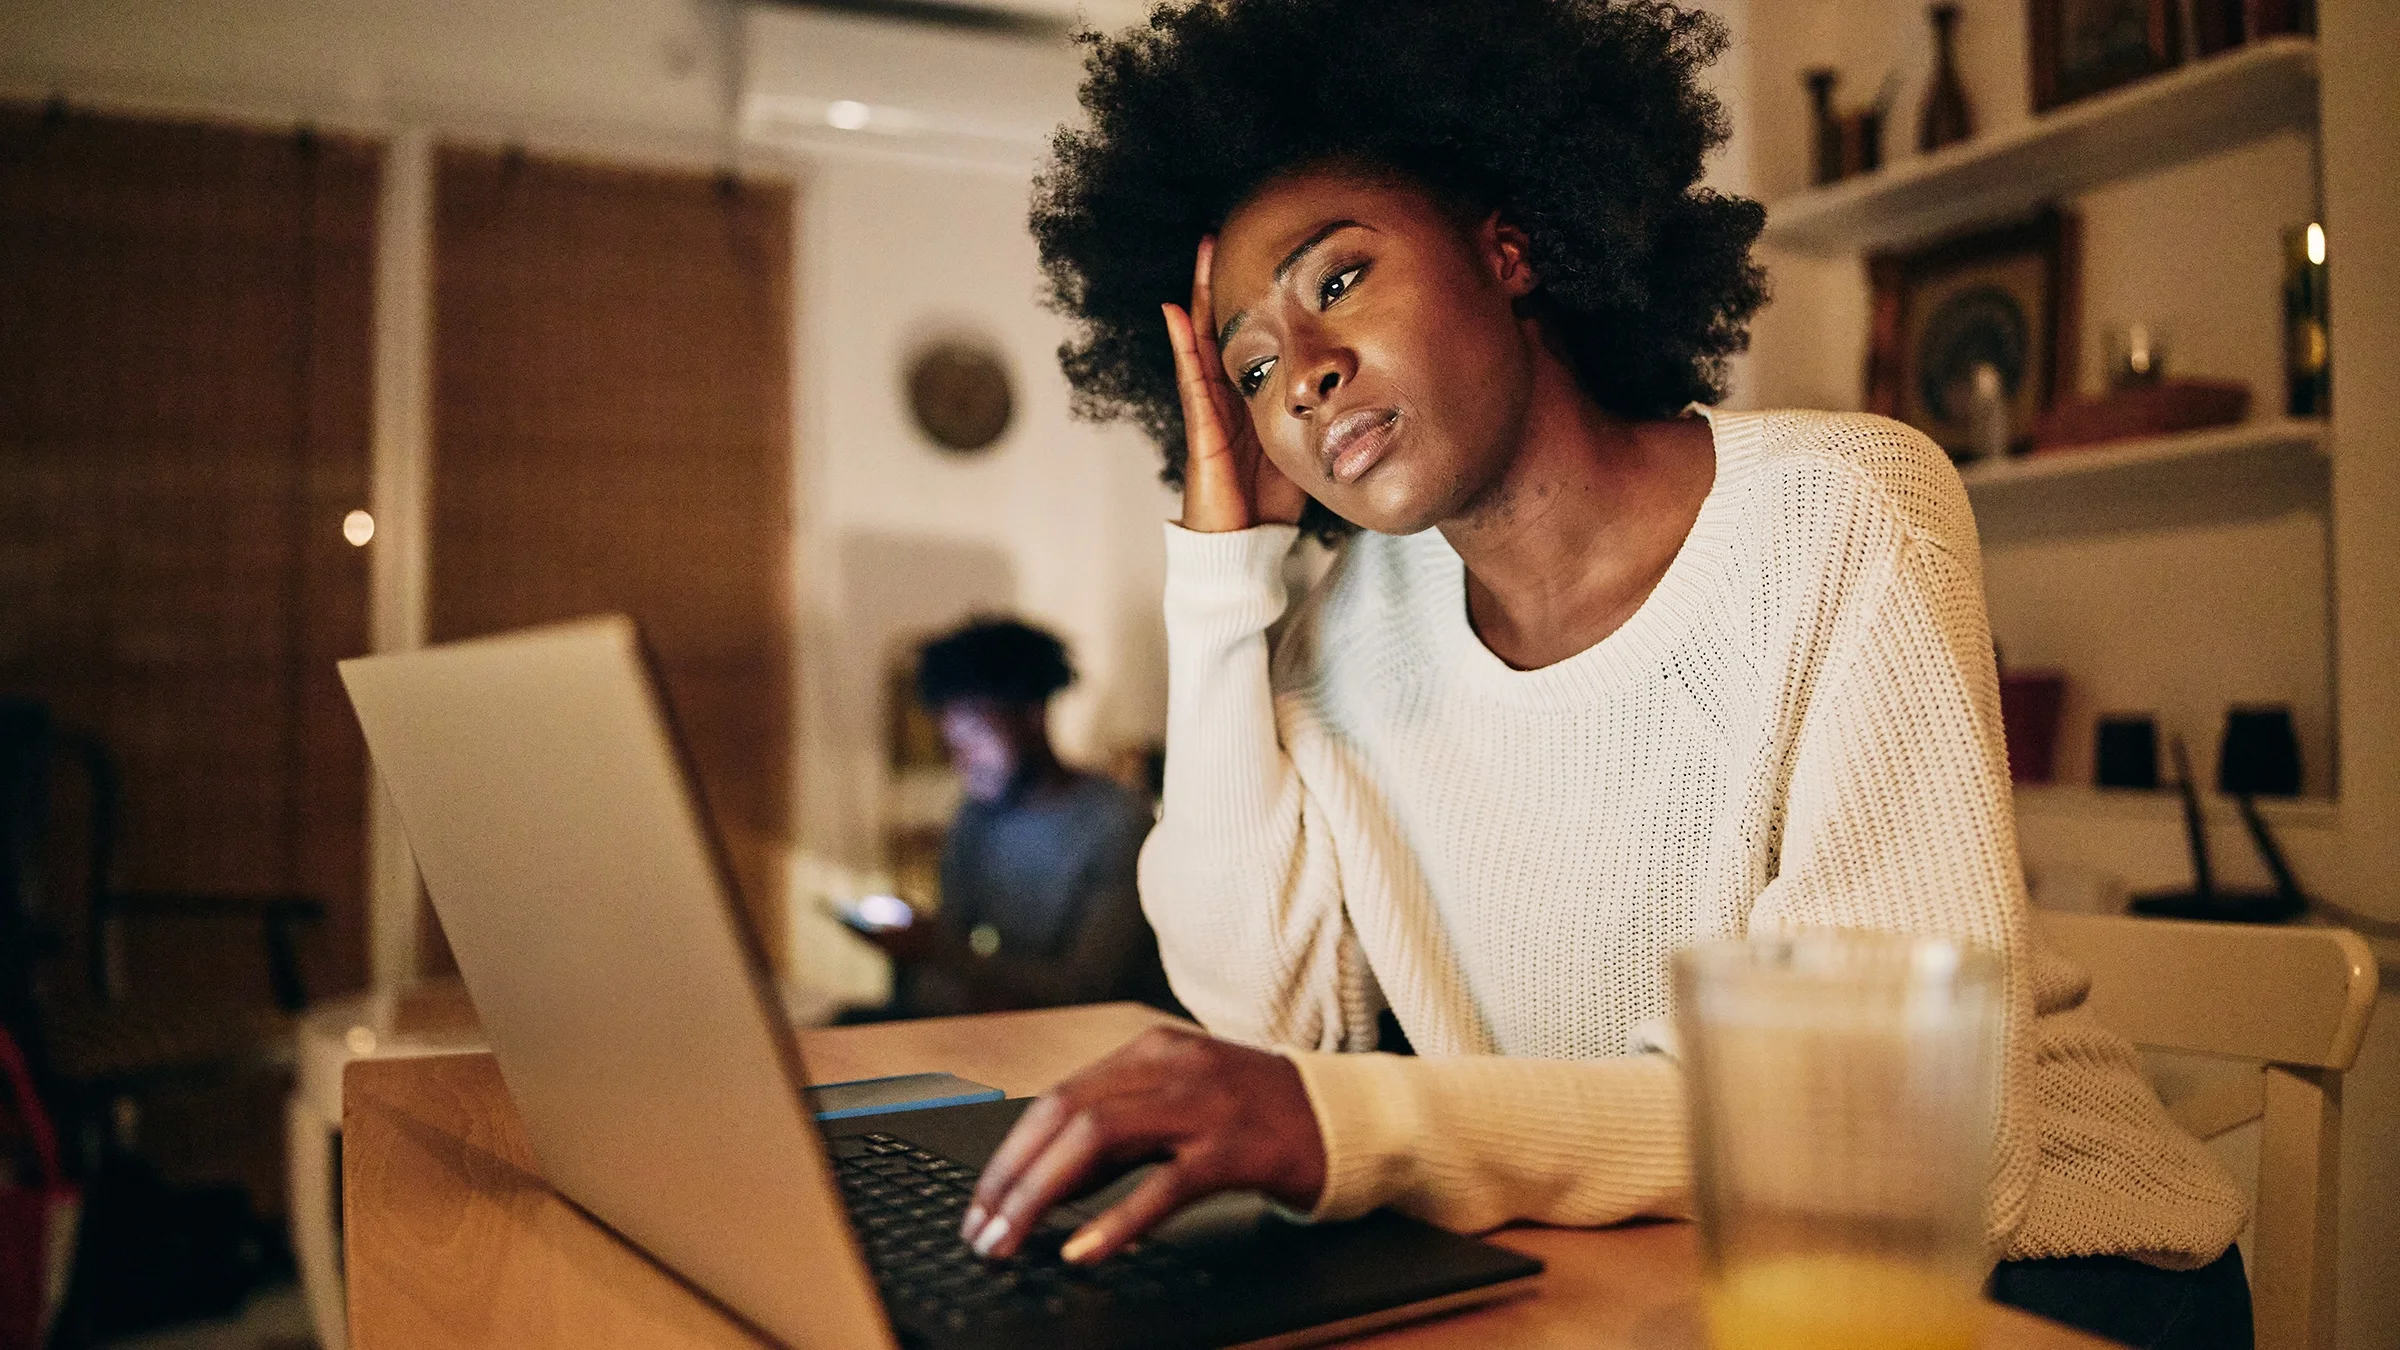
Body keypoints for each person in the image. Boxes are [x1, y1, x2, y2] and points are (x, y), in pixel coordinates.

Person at [954, 4, 2252, 1348]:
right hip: (1647, 1261)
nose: (1307, 378)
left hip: (2047, 1278)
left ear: (1507, 248)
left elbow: (1905, 1142)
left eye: (1337, 282)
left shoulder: (1844, 512)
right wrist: (1225, 574)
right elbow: (1267, 1016)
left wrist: (1363, 1126)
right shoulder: (1338, 633)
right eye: (1256, 366)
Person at [850, 618, 1174, 1020]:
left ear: (1031, 716)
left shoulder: (1116, 824)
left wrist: (933, 948)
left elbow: (1087, 989)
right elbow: (953, 946)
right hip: (978, 1032)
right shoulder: (976, 817)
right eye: (953, 744)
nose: (963, 761)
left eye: (974, 738)